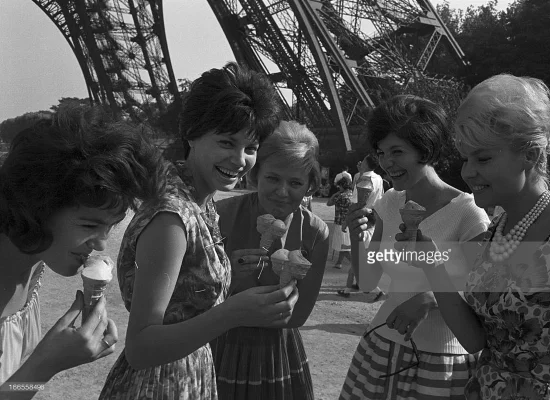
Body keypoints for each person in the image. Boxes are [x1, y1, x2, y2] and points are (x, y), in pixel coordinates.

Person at [99, 63, 299, 400]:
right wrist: (233, 312)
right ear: (192, 134)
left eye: (250, 148)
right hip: (159, 385)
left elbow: (181, 298)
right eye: (226, 142)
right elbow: (141, 347)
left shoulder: (199, 204)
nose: (239, 160)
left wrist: (226, 271)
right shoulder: (172, 218)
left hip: (184, 374)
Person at [397, 75, 550, 399]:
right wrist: (432, 265)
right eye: (466, 158)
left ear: (530, 155)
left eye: (484, 158)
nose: (467, 172)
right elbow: (477, 341)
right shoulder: (498, 231)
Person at [0, 105, 168, 397]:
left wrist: (42, 369)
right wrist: (43, 366)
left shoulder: (34, 265)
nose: (101, 244)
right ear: (37, 205)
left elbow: (13, 387)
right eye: (90, 224)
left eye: (111, 226)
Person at [340, 94, 490, 399]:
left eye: (398, 151)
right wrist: (358, 237)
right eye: (382, 152)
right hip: (381, 347)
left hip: (444, 358)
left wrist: (428, 298)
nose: (387, 163)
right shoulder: (389, 203)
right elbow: (368, 280)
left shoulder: (468, 214)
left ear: (426, 149)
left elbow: (480, 289)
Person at [212, 120, 329, 399]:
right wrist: (227, 280)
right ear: (255, 176)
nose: (282, 191)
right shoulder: (220, 216)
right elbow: (191, 302)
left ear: (309, 186)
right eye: (273, 178)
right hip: (220, 341)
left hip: (278, 352)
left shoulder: (315, 233)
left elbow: (299, 316)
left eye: (296, 183)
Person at [338, 154, 385, 298]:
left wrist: (347, 219)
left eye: (363, 160)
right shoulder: (377, 178)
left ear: (367, 163)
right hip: (373, 217)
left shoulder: (366, 179)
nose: (360, 161)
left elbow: (360, 202)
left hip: (362, 218)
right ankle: (350, 287)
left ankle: (374, 289)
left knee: (359, 254)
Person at [327, 176, 353, 269]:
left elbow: (329, 203)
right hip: (350, 223)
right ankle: (339, 262)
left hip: (340, 222)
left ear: (342, 186)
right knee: (344, 244)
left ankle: (356, 263)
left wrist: (335, 194)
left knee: (343, 246)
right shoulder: (352, 195)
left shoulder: (341, 196)